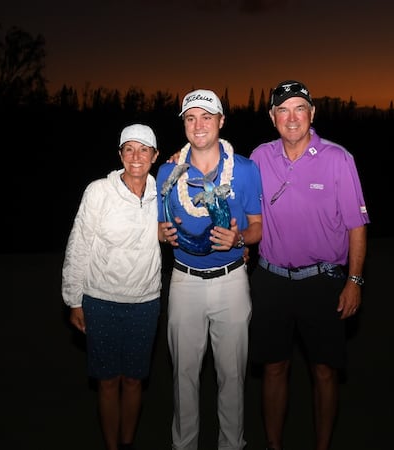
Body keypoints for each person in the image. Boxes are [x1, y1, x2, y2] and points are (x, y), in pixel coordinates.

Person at [248, 80, 370, 450]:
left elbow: (357, 224)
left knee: (324, 371)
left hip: (322, 281)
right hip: (270, 279)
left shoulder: (337, 158)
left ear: (312, 114)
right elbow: (241, 203)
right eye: (282, 110)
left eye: (299, 108)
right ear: (272, 117)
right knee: (273, 367)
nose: (291, 117)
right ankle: (274, 445)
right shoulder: (259, 157)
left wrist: (354, 280)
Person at [156, 89, 263, 450]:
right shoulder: (169, 171)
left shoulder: (245, 169)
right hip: (184, 281)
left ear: (221, 121)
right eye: (190, 118)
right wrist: (161, 233)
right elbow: (160, 224)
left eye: (206, 117)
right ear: (184, 125)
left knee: (231, 375)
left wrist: (238, 240)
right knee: (183, 375)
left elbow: (257, 229)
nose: (198, 125)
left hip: (232, 281)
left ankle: (232, 444)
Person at [61, 124, 162, 450]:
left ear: (154, 156)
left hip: (146, 301)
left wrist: (238, 245)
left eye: (143, 149)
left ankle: (128, 443)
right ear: (120, 154)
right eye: (129, 149)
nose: (136, 156)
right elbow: (79, 245)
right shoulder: (98, 192)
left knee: (133, 381)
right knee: (107, 382)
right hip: (101, 300)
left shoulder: (163, 192)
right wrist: (74, 299)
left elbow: (191, 220)